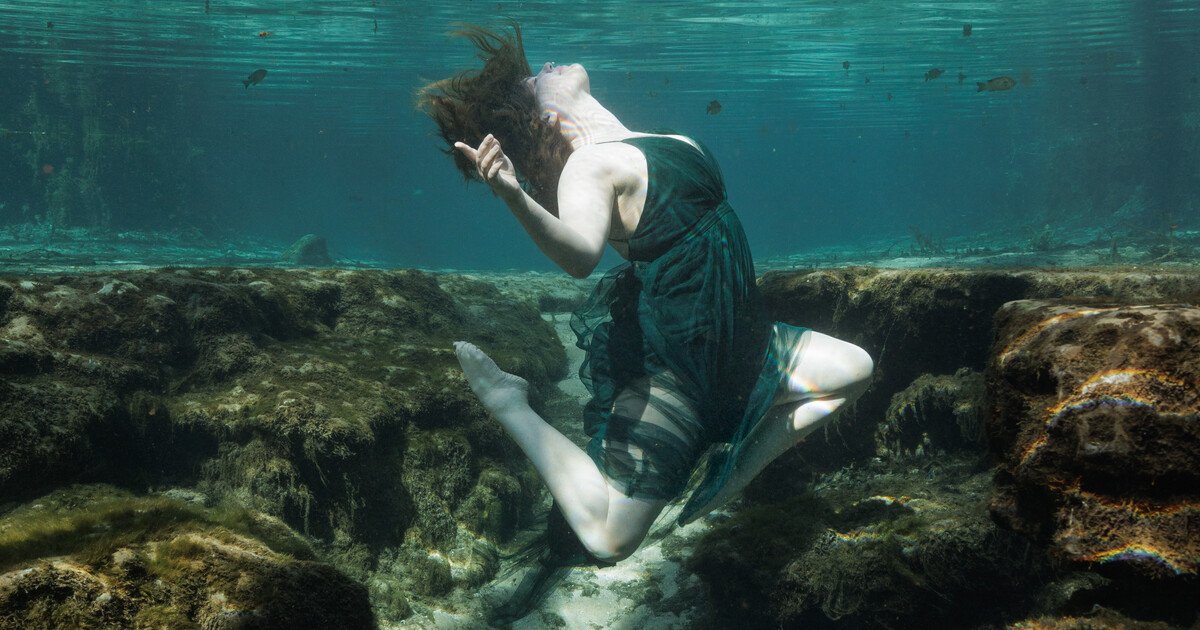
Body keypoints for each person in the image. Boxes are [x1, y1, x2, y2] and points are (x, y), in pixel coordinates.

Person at [418, 21, 873, 601]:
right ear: (549, 119)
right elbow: (581, 257)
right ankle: (508, 402)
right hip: (678, 372)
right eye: (537, 80)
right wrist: (513, 193)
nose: (547, 66)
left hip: (747, 346)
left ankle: (733, 475)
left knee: (855, 369)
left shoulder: (654, 140)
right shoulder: (589, 166)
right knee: (609, 541)